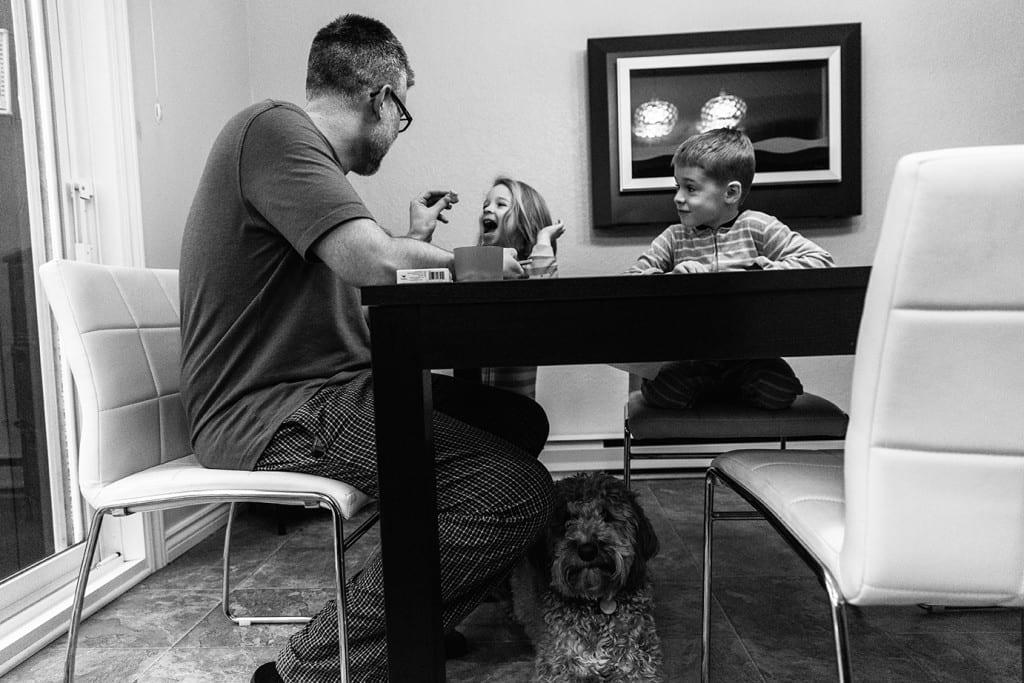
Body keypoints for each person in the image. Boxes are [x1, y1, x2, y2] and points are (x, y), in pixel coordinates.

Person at [178, 14, 555, 683]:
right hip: (276, 410)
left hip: (326, 391)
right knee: (517, 492)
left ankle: (412, 613)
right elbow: (375, 263)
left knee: (518, 421)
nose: (397, 128)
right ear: (383, 96)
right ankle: (303, 670)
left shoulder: (304, 168)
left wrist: (406, 240)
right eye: (403, 110)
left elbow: (363, 277)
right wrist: (478, 263)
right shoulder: (272, 129)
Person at [626, 127, 835, 411]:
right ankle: (713, 389)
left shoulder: (758, 226)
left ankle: (729, 389)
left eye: (690, 188)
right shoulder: (674, 237)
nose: (678, 197)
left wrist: (766, 270)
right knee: (663, 391)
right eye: (677, 187)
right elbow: (632, 281)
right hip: (692, 357)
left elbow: (821, 261)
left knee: (780, 391)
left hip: (751, 355)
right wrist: (670, 279)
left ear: (731, 193)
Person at [477, 176, 565, 397]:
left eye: (500, 204)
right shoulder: (476, 271)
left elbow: (545, 297)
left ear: (525, 225)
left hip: (517, 404)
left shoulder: (527, 274)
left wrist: (542, 240)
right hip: (474, 403)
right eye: (485, 204)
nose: (488, 209)